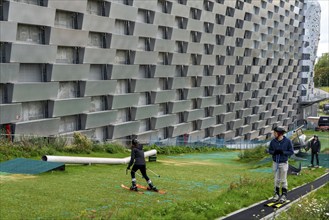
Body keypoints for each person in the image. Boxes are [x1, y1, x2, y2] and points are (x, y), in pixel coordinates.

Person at [268, 126, 294, 203]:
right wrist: (274, 152)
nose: (274, 134)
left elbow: (291, 151)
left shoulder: (287, 141)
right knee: (276, 179)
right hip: (275, 162)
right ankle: (276, 194)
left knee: (283, 179)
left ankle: (284, 195)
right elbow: (270, 150)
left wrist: (283, 152)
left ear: (279, 134)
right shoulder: (273, 142)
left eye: (275, 133)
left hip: (283, 163)